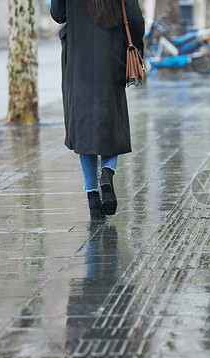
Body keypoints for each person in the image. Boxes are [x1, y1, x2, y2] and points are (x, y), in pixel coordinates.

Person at [50, 0, 144, 219]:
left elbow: (58, 14)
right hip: (112, 55)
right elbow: (135, 18)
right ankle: (107, 174)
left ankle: (93, 199)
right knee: (111, 118)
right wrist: (137, 48)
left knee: (83, 124)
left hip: (78, 59)